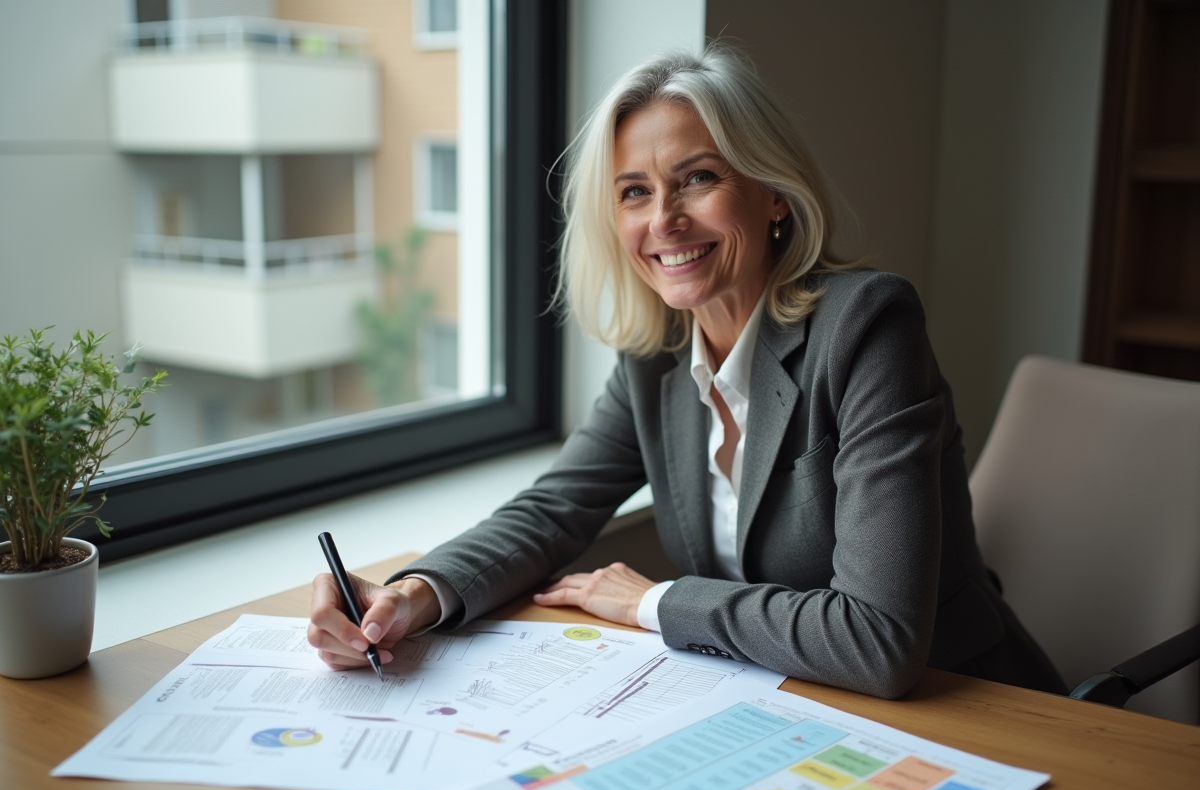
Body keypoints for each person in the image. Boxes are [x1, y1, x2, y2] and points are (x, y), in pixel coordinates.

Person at [308, 45, 1066, 700]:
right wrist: (411, 597)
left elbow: (878, 639)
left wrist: (655, 603)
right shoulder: (658, 357)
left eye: (696, 178)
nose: (662, 219)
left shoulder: (868, 327)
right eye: (634, 191)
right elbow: (552, 511)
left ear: (773, 193)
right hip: (789, 703)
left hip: (966, 706)